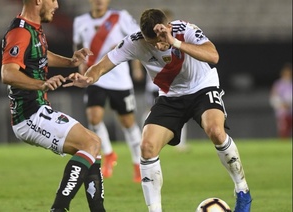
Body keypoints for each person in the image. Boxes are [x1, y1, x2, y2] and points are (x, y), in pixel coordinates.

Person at [65, 8, 252, 212]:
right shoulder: (135, 42)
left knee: (216, 131)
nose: (159, 45)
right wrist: (89, 78)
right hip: (170, 96)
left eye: (161, 39)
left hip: (202, 87)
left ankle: (242, 189)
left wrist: (175, 42)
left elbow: (213, 56)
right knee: (146, 147)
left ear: (168, 27)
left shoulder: (185, 30)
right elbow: (103, 64)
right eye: (152, 42)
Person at [0, 0, 105, 211]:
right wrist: (41, 84)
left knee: (93, 144)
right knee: (90, 144)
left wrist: (70, 62)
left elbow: (40, 55)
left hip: (39, 110)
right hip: (29, 115)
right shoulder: (20, 32)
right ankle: (59, 208)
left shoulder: (33, 29)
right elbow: (8, 73)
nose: (57, 5)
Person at [72, 0, 144, 182]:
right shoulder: (80, 21)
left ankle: (138, 163)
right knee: (94, 118)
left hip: (120, 80)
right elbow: (77, 44)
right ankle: (109, 153)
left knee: (128, 123)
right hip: (95, 78)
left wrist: (136, 67)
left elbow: (137, 40)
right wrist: (81, 65)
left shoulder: (121, 17)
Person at [143, 8, 188, 152]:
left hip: (174, 85)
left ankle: (179, 142)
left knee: (180, 112)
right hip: (155, 85)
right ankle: (146, 136)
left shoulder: (175, 38)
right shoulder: (149, 40)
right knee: (151, 110)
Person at [269, 63, 292, 139]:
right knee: (284, 132)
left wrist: (289, 104)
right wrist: (281, 104)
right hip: (283, 113)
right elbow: (273, 98)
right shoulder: (278, 84)